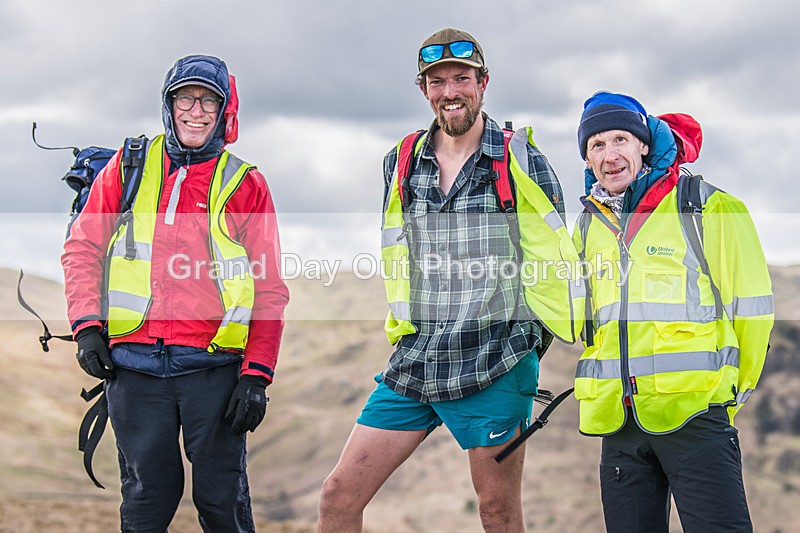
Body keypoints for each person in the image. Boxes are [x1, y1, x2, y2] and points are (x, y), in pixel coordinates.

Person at [317, 29, 580, 532]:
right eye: (437, 82)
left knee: (497, 512)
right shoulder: (402, 161)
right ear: (424, 90)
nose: (450, 91)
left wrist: (527, 343)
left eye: (462, 78)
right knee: (338, 497)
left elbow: (552, 260)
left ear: (484, 83)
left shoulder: (520, 161)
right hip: (418, 357)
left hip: (495, 361)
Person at [61, 54, 289, 532]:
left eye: (209, 101)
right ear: (169, 105)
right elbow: (83, 247)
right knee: (146, 502)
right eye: (185, 98)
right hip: (134, 371)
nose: (196, 111)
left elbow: (269, 287)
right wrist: (86, 327)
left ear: (226, 111)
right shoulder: (128, 167)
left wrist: (257, 376)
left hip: (214, 372)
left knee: (222, 504)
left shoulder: (245, 182)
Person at [572, 91, 774, 532]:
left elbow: (754, 313)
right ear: (587, 159)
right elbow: (583, 321)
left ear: (644, 144)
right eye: (597, 145)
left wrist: (730, 396)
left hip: (696, 415)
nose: (610, 155)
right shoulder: (588, 225)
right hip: (620, 423)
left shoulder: (706, 206)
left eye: (620, 140)